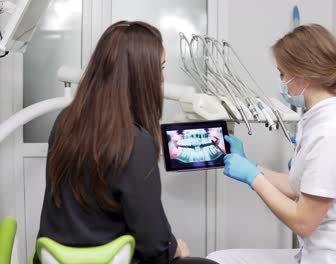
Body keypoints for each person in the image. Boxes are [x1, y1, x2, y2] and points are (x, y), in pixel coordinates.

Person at [34, 21, 218, 264]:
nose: (162, 79)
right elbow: (153, 244)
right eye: (159, 69)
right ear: (141, 75)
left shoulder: (65, 123)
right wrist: (174, 247)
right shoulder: (135, 143)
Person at [207, 24, 336, 264]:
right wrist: (252, 166)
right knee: (217, 258)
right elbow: (298, 186)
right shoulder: (316, 121)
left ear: (303, 75)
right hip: (314, 253)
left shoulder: (332, 133)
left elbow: (303, 222)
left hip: (335, 257)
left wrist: (253, 179)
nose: (282, 82)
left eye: (282, 74)